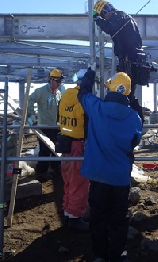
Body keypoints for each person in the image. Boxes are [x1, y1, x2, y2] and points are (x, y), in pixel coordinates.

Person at [78, 68, 142, 262]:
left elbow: (83, 94)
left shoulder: (96, 107)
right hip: (120, 178)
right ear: (128, 94)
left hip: (98, 175)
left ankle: (99, 254)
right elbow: (134, 142)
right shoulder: (133, 117)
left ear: (110, 90)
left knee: (98, 216)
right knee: (119, 218)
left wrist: (89, 76)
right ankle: (116, 254)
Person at [93, 0, 156, 122]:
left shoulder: (118, 16)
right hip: (134, 59)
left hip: (129, 60)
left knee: (124, 94)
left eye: (103, 15)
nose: (104, 18)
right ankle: (135, 120)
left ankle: (131, 121)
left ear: (106, 11)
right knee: (129, 93)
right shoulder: (125, 17)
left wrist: (97, 19)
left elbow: (110, 27)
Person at [57, 69, 90, 232]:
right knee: (80, 183)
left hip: (65, 144)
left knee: (69, 181)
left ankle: (68, 212)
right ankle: (75, 218)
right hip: (78, 145)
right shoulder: (83, 99)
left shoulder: (66, 95)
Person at [27, 68, 65, 179]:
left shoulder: (59, 93)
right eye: (57, 81)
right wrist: (31, 115)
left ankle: (56, 168)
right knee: (44, 149)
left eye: (60, 81)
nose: (59, 83)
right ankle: (42, 171)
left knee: (56, 149)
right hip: (44, 127)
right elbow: (30, 100)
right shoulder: (41, 91)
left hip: (56, 126)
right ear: (51, 80)